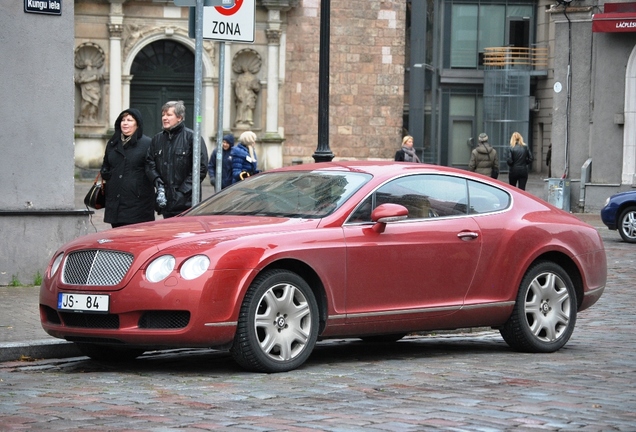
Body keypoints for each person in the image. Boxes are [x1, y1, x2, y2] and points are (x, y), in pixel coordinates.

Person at [145, 100, 208, 218]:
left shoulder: (192, 138)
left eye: (169, 115)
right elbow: (150, 163)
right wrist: (158, 182)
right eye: (163, 115)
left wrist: (182, 192)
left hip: (187, 203)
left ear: (179, 117)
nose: (164, 118)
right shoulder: (157, 139)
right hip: (165, 202)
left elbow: (201, 168)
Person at [100, 108, 155, 228]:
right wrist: (106, 173)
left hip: (138, 203)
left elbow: (153, 169)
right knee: (116, 238)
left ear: (137, 124)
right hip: (115, 201)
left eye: (129, 120)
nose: (125, 123)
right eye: (123, 120)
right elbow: (106, 164)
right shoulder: (113, 143)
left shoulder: (147, 143)